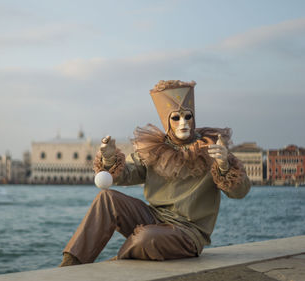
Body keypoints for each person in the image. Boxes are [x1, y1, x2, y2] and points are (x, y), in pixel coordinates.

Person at [60, 80, 251, 266]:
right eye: (176, 118)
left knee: (146, 237)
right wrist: (109, 159)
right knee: (106, 199)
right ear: (166, 121)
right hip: (153, 217)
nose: (183, 122)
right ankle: (71, 264)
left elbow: (240, 192)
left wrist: (224, 164)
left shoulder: (212, 149)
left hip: (187, 232)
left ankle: (118, 263)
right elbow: (126, 174)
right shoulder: (156, 149)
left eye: (188, 116)